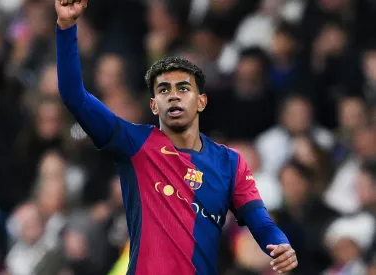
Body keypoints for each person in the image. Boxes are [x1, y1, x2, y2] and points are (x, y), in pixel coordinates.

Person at [55, 1, 298, 274]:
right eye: (163, 90)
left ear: (202, 101)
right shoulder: (135, 144)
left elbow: (261, 222)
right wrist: (66, 27)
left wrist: (280, 244)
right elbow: (74, 96)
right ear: (153, 105)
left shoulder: (230, 163)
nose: (173, 95)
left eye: (183, 88)